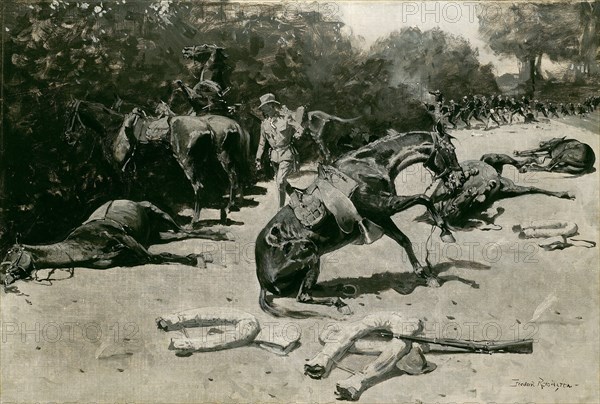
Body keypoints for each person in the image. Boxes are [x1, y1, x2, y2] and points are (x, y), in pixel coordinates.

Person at [255, 93, 305, 208]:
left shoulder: (285, 118)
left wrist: (298, 134)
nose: (263, 109)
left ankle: (280, 208)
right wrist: (258, 158)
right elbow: (262, 143)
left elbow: (299, 128)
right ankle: (297, 199)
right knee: (282, 183)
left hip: (286, 154)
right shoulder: (264, 124)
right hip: (274, 157)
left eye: (264, 106)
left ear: (271, 105)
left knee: (280, 182)